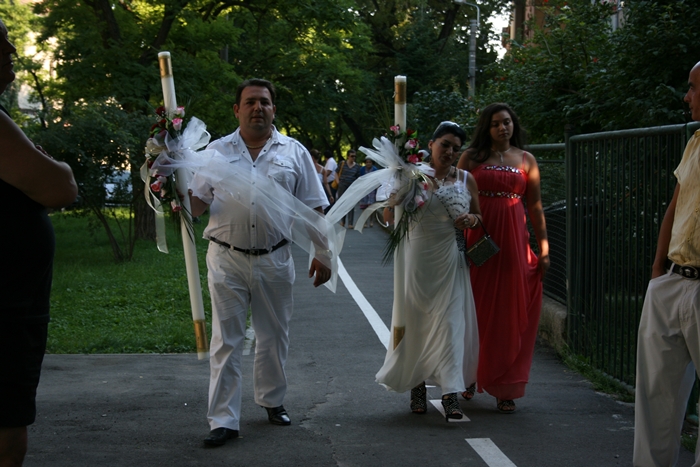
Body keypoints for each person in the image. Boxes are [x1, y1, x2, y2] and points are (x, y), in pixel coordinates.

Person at [189, 78, 331, 447]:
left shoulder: (294, 152)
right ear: (237, 110)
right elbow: (196, 204)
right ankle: (223, 420)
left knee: (273, 336)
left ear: (273, 109)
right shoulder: (215, 153)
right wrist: (168, 183)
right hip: (226, 258)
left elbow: (313, 206)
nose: (258, 108)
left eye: (264, 102)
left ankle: (272, 400)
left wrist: (323, 251)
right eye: (250, 102)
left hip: (275, 258)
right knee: (226, 340)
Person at [0, 17, 78, 467]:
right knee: (6, 434)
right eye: (1, 42)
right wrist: (55, 166)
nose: (11, 50)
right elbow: (60, 187)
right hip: (4, 315)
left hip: (12, 307)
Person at [375, 121, 481, 421]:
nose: (449, 152)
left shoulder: (466, 179)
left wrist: (471, 220)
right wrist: (395, 199)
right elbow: (388, 216)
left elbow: (479, 215)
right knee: (416, 323)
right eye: (445, 144)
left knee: (450, 325)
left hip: (450, 261)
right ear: (431, 144)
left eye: (456, 148)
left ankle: (450, 395)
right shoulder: (412, 174)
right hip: (416, 260)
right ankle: (417, 386)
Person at [457, 103, 549, 414]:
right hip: (479, 242)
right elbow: (454, 198)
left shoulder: (526, 159)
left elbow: (535, 207)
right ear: (487, 127)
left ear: (514, 124)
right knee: (474, 311)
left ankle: (505, 386)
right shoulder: (471, 157)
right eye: (496, 123)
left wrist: (544, 249)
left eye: (507, 122)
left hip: (513, 247)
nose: (502, 128)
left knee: (508, 314)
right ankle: (468, 376)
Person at [633, 61, 700, 467]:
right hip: (672, 281)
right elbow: (676, 206)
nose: (686, 96)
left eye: (693, 87)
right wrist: (658, 271)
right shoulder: (695, 142)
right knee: (655, 394)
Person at [335, 149, 362, 228]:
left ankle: (350, 223)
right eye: (352, 156)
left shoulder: (357, 166)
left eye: (355, 156)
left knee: (351, 204)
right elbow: (336, 172)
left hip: (351, 187)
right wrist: (338, 182)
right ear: (348, 156)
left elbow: (358, 177)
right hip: (342, 185)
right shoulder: (342, 163)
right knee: (342, 204)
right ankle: (342, 221)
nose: (353, 158)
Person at [358, 158, 378, 228]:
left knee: (371, 206)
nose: (368, 164)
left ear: (372, 163)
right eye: (367, 162)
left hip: (372, 190)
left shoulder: (375, 170)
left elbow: (377, 180)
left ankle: (371, 221)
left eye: (370, 162)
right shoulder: (362, 169)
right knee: (364, 207)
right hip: (364, 189)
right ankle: (365, 222)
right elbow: (360, 179)